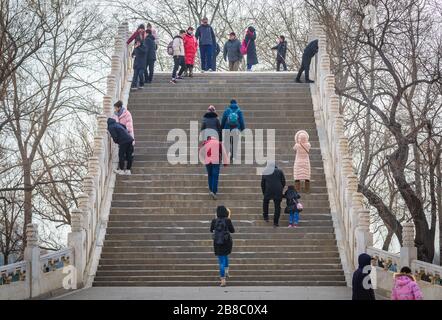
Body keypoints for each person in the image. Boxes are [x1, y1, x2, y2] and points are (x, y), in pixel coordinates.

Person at [210, 206, 235, 287]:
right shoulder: (227, 220)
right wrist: (228, 218)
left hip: (217, 242)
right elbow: (232, 231)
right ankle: (226, 271)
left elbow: (211, 230)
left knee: (221, 261)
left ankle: (223, 279)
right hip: (227, 242)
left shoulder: (214, 221)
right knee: (226, 255)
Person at [199, 134, 229, 200]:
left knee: (210, 175)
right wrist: (225, 163)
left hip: (208, 161)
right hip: (216, 161)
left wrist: (203, 160)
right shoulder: (218, 143)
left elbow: (201, 152)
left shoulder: (206, 143)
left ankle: (210, 190)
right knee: (215, 176)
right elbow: (223, 153)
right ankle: (214, 192)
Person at [261, 162, 286, 227]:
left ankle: (265, 217)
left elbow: (262, 184)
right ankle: (275, 222)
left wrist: (264, 192)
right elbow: (283, 181)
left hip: (268, 190)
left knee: (265, 202)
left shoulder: (265, 172)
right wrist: (280, 188)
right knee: (277, 206)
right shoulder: (279, 171)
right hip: (278, 190)